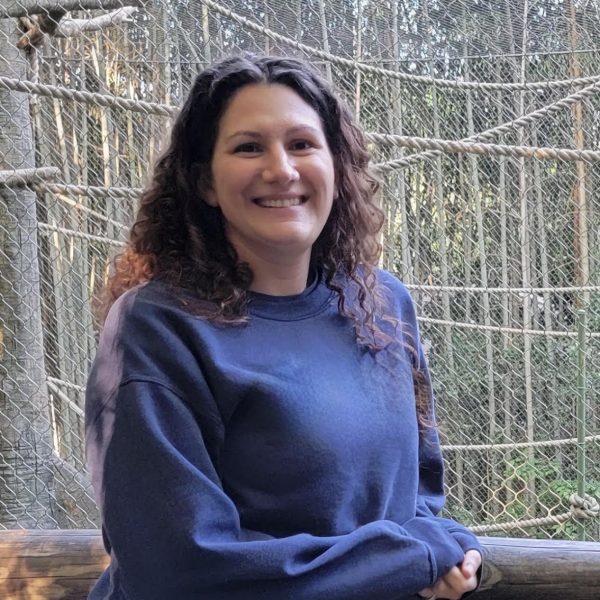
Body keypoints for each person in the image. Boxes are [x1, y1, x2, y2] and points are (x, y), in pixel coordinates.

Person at [85, 54, 482, 600]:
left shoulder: (382, 304)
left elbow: (418, 497)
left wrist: (442, 547)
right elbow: (179, 567)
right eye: (249, 147)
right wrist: (411, 557)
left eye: (301, 144)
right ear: (204, 181)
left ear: (335, 166)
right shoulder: (156, 328)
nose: (281, 170)